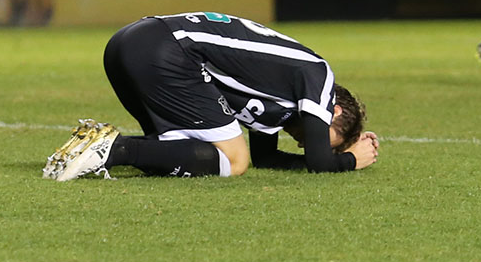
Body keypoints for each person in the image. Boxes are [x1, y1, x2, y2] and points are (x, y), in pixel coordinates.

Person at [43, 12, 379, 181]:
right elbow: (320, 163)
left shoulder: (281, 103)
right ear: (333, 112)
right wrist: (351, 159)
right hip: (168, 50)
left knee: (187, 154)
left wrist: (323, 158)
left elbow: (268, 158)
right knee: (235, 161)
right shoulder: (319, 75)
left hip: (131, 43)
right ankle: (112, 149)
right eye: (329, 139)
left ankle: (93, 145)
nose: (308, 145)